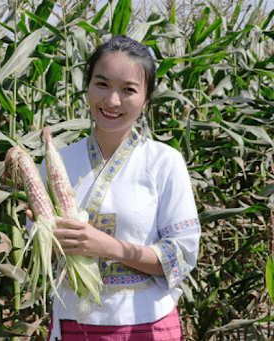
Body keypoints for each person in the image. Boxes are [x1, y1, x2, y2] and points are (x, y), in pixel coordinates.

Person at [36, 36, 201, 340]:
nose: (112, 101)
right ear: (86, 87)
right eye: (102, 85)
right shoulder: (56, 162)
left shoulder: (165, 162)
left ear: (147, 99)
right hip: (76, 321)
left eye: (128, 90)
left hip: (147, 323)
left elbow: (182, 255)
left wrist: (105, 246)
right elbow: (46, 257)